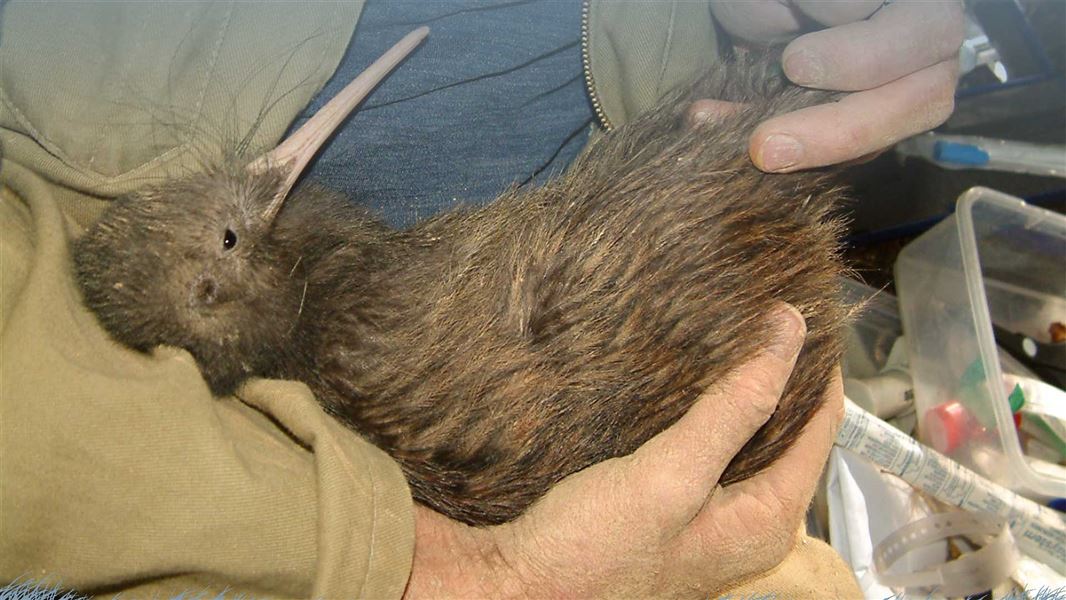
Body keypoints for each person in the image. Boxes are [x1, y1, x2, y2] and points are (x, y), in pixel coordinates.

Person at [0, 1, 962, 597]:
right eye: (233, 229)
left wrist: (784, 21)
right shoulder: (284, 314)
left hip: (647, 302)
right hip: (356, 516)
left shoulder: (297, 281)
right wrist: (451, 577)